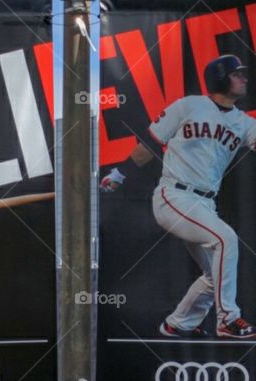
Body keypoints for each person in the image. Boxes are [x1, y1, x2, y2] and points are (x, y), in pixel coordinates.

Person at [100, 54, 256, 338]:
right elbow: (150, 143)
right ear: (221, 77)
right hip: (175, 196)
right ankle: (228, 319)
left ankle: (178, 323)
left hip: (205, 205)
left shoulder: (244, 123)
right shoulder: (189, 105)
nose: (244, 78)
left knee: (214, 275)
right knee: (226, 239)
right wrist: (119, 174)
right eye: (237, 74)